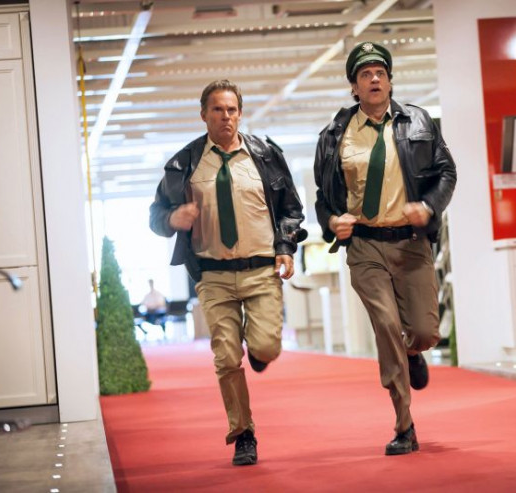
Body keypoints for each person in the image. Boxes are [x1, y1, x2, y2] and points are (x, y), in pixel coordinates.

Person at [149, 79, 306, 466]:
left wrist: (285, 248)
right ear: (203, 115)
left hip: (260, 271)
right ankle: (243, 433)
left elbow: (291, 209)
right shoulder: (183, 164)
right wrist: (172, 218)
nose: (226, 116)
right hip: (213, 275)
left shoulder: (265, 156)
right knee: (226, 358)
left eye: (232, 109)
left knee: (266, 348)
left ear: (240, 113)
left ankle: (259, 350)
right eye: (217, 110)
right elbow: (156, 217)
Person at [313, 41, 457, 455]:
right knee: (387, 327)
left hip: (411, 243)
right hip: (365, 246)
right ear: (354, 87)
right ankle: (404, 424)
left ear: (390, 81)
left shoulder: (419, 121)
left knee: (425, 331)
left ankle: (414, 351)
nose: (374, 79)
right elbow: (324, 197)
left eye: (380, 72)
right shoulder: (335, 135)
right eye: (365, 74)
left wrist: (428, 206)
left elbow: (446, 172)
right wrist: (331, 221)